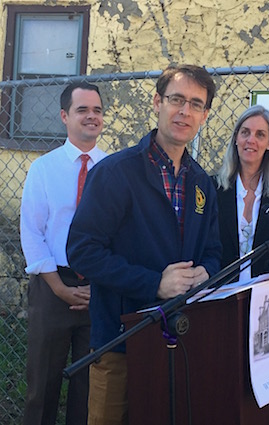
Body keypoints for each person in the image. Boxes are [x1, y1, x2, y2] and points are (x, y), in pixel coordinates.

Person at [66, 64, 222, 425]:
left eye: (195, 104)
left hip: (178, 341)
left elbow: (213, 251)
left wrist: (206, 272)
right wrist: (154, 283)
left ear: (205, 115)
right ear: (157, 102)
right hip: (120, 341)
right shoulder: (116, 173)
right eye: (176, 100)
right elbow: (82, 251)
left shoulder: (202, 184)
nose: (184, 112)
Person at [20, 82, 107, 425]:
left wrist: (100, 288)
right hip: (52, 285)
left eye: (97, 110)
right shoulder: (44, 169)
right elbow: (32, 232)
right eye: (82, 109)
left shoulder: (114, 169)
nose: (91, 116)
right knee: (42, 384)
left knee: (89, 389)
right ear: (64, 116)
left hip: (97, 290)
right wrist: (57, 286)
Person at [215, 104, 269, 281]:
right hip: (220, 293)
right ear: (236, 138)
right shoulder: (213, 187)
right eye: (245, 132)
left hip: (267, 292)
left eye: (260, 134)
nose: (251, 140)